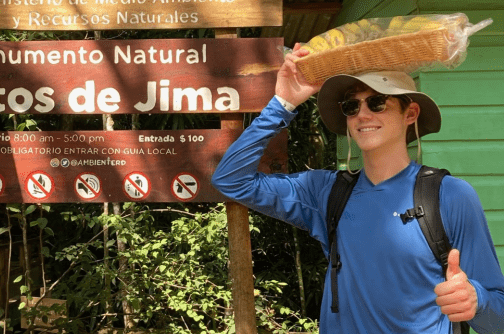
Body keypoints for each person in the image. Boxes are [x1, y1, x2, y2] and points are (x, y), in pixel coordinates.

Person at [211, 44, 504, 333]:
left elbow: (498, 322)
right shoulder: (327, 192)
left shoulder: (450, 196)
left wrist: (477, 301)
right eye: (352, 106)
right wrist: (283, 103)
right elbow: (231, 180)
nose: (362, 114)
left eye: (377, 102)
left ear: (410, 113)